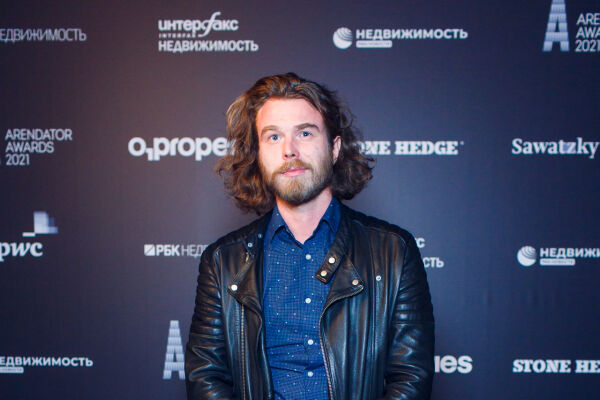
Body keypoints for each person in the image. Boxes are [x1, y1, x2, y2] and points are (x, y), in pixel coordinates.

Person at [185, 73, 434, 400]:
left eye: (304, 133)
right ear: (258, 155)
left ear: (334, 148)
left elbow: (410, 377)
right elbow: (206, 376)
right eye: (273, 137)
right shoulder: (223, 261)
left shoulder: (393, 251)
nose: (289, 150)